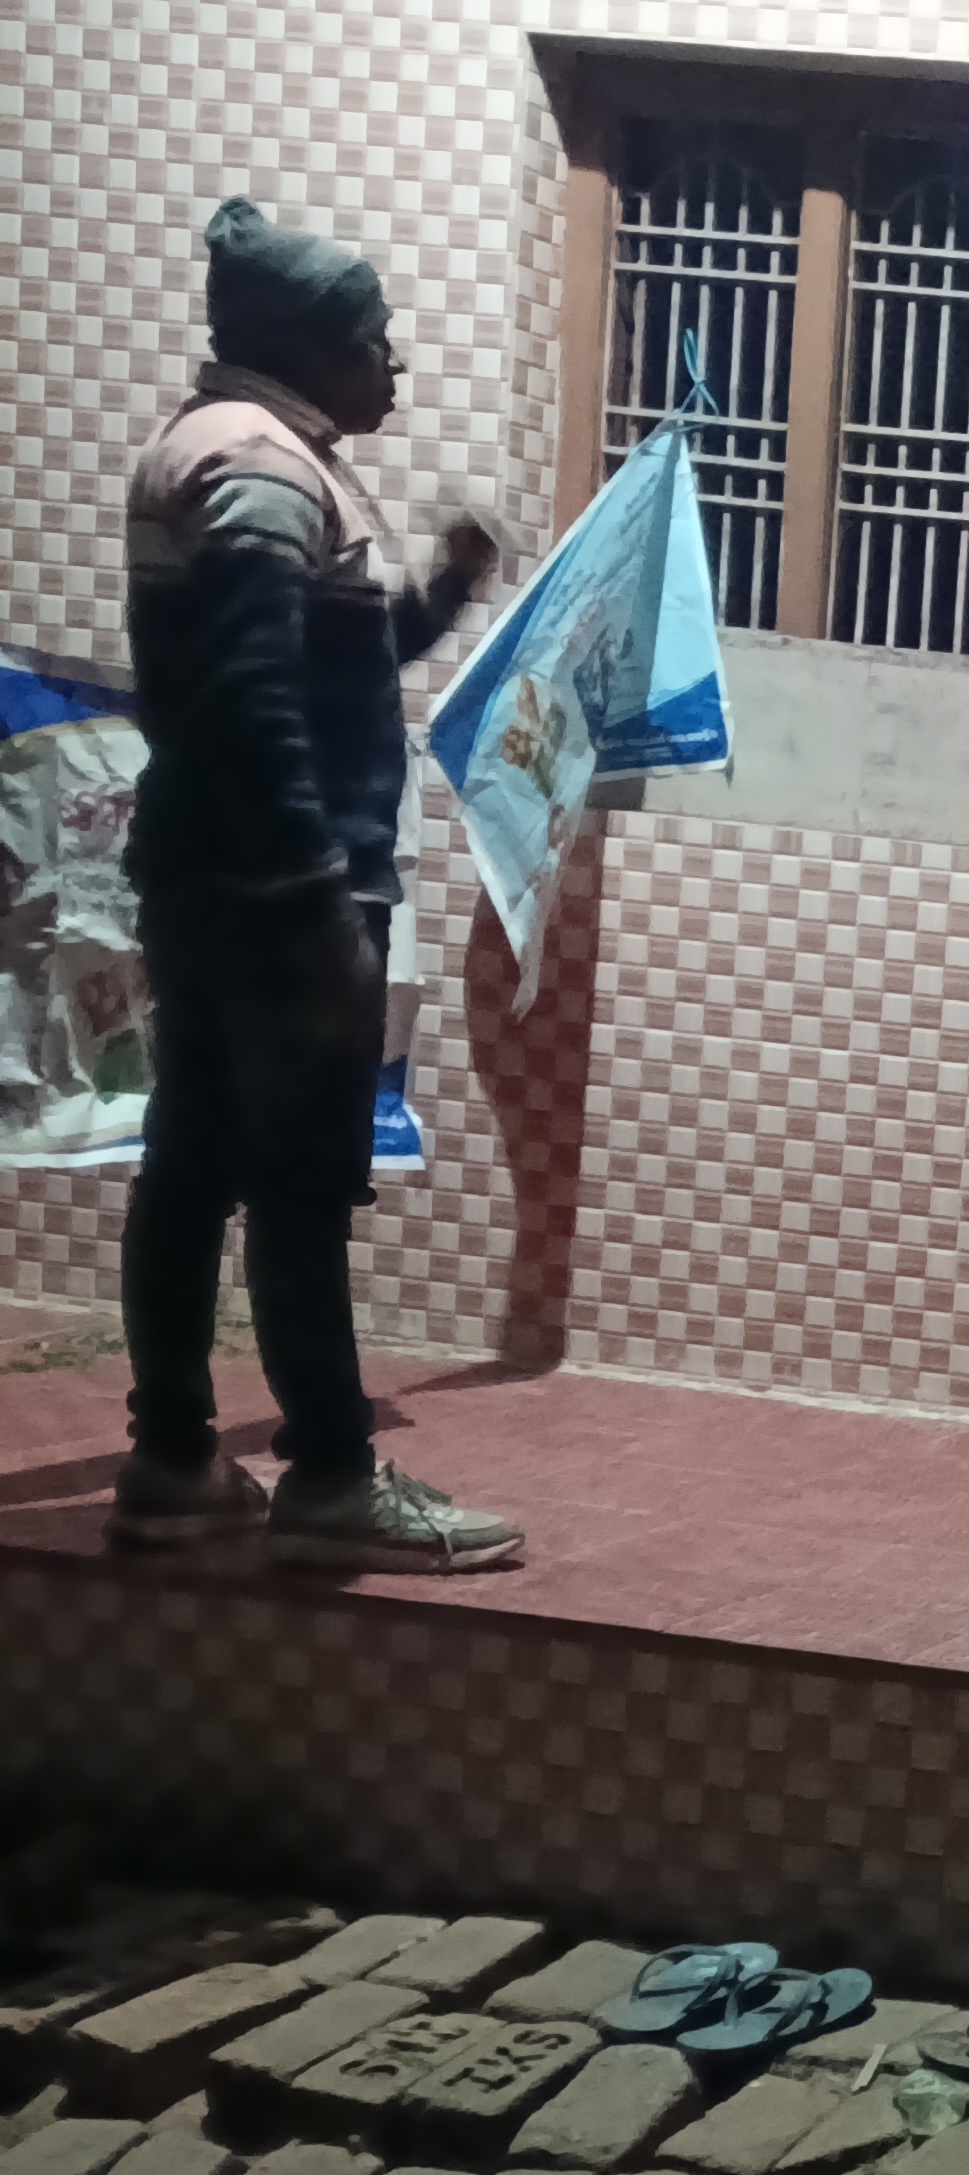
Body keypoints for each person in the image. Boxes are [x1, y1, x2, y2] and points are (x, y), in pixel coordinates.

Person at [110, 199, 518, 1571]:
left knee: (190, 1164)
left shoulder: (234, 449)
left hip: (207, 873)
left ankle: (173, 1464)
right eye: (376, 336)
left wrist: (443, 595)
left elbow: (307, 657)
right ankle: (333, 1476)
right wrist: (307, 896)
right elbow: (254, 694)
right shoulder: (262, 468)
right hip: (277, 887)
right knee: (295, 1185)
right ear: (308, 342)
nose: (394, 360)